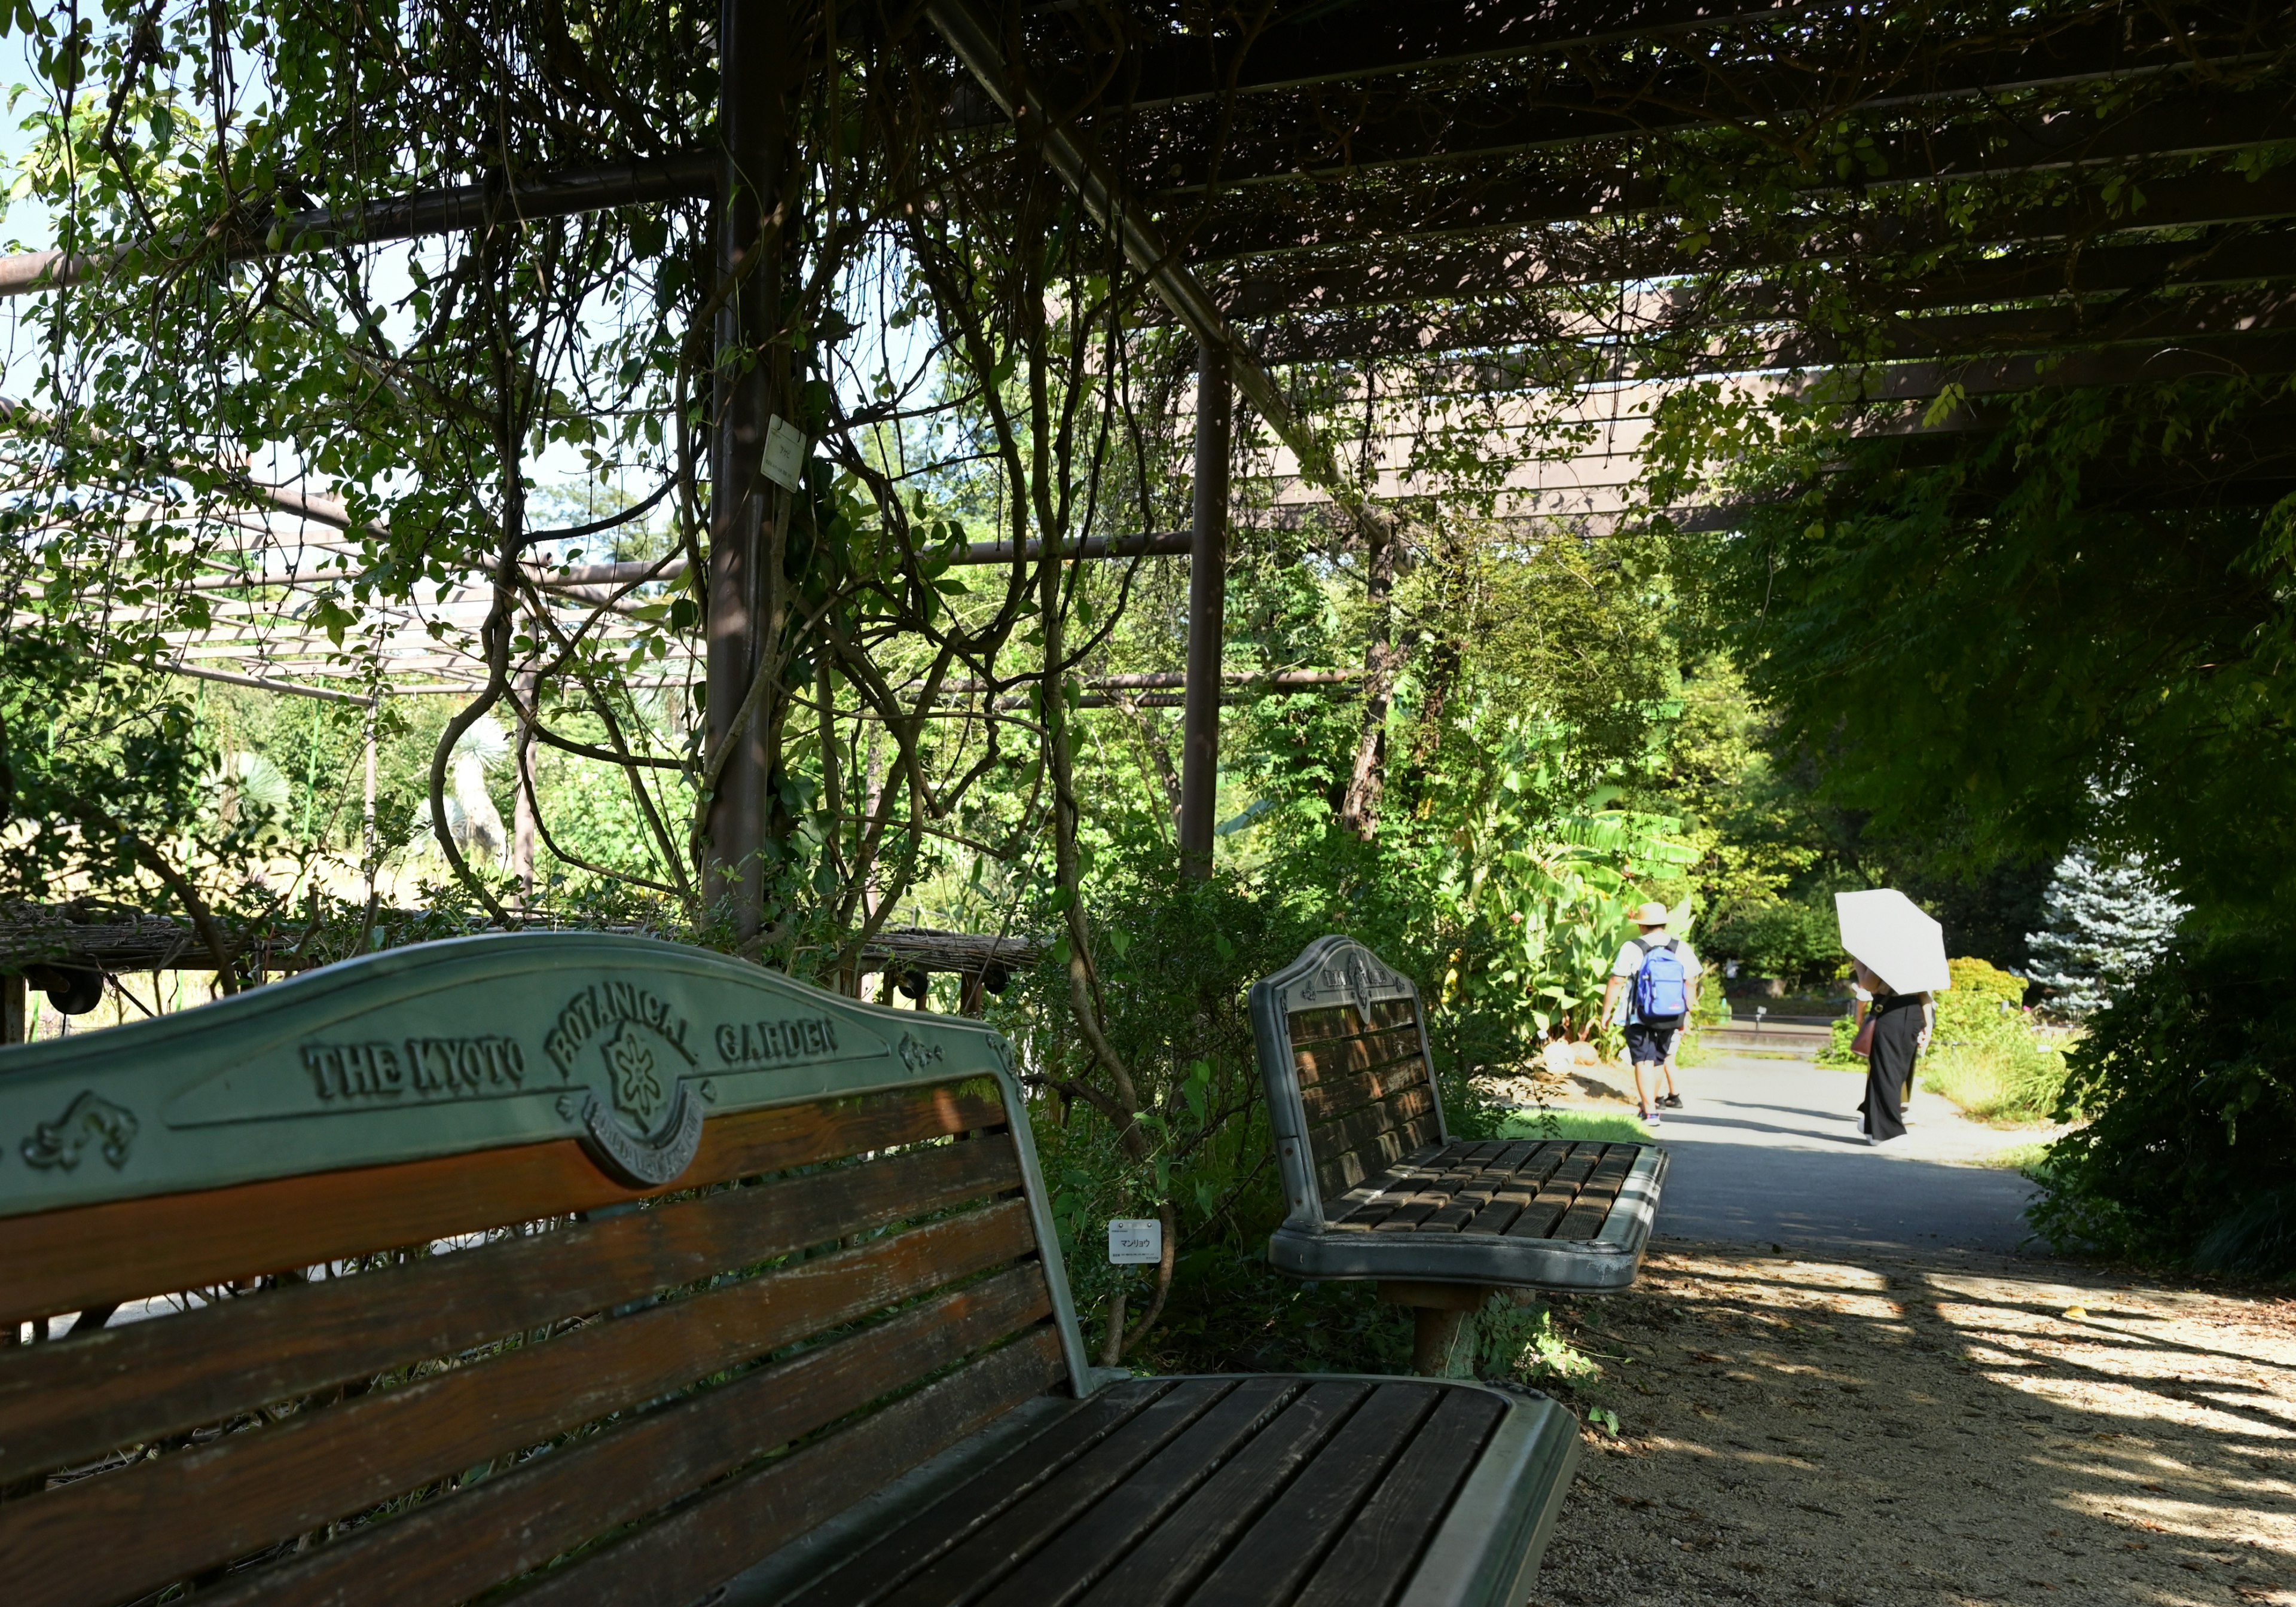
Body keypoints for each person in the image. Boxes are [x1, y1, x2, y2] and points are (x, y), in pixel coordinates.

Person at [1601, 902, 1702, 1126]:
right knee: (1657, 1060)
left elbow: (1617, 980)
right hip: (1672, 1015)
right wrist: (1686, 1013)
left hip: (1639, 1014)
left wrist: (1606, 1012)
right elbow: (1691, 982)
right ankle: (1652, 1107)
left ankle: (1650, 1111)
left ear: (1641, 926)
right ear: (1664, 924)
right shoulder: (1680, 947)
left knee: (1643, 1060)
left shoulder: (1632, 947)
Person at [1849, 959, 1934, 1144]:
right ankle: (1874, 1125)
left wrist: (1859, 965)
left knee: (1885, 1070)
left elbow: (1869, 985)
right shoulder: (1918, 955)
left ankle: (1887, 1132)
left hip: (1890, 1012)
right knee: (1897, 1071)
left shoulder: (1886, 952)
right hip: (1913, 1012)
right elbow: (1925, 994)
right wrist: (1929, 1024)